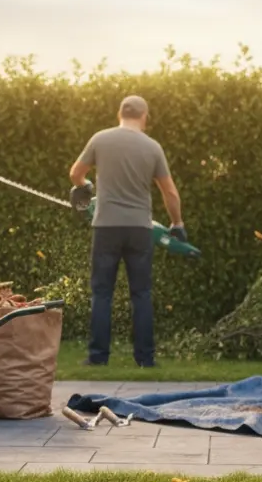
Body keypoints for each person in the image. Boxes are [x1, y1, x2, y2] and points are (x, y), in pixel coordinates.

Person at [68, 95, 185, 368]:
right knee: (141, 293)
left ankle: (98, 358)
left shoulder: (100, 139)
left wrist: (86, 188)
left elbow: (76, 173)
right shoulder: (152, 147)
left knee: (101, 293)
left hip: (106, 226)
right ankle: (145, 359)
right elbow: (169, 191)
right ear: (144, 116)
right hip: (139, 229)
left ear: (119, 113)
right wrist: (177, 224)